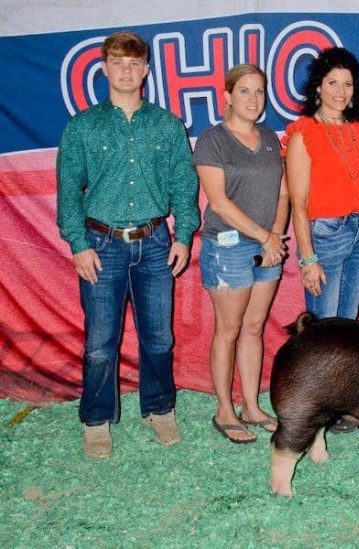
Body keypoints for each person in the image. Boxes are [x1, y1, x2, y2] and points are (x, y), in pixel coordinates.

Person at [56, 31, 199, 458]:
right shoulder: (82, 126)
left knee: (159, 338)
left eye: (135, 63)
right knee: (101, 341)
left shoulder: (167, 125)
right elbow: (67, 190)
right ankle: (97, 418)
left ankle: (159, 408)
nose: (126, 70)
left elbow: (183, 185)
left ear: (146, 70)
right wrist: (78, 244)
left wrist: (184, 235)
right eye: (118, 62)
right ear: (104, 68)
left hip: (156, 242)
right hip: (101, 244)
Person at [192, 64, 289, 443]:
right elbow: (218, 201)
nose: (253, 99)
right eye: (245, 91)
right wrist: (266, 237)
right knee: (229, 330)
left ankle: (250, 405)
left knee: (254, 327)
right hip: (228, 248)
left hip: (269, 246)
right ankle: (224, 410)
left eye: (260, 91)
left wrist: (276, 237)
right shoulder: (212, 140)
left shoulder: (269, 138)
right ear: (228, 96)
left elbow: (282, 194)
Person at [283, 47, 359, 320]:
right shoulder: (304, 133)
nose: (340, 91)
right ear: (318, 88)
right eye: (332, 82)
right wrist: (308, 259)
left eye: (347, 84)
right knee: (324, 329)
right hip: (325, 236)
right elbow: (298, 204)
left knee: (348, 327)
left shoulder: (358, 129)